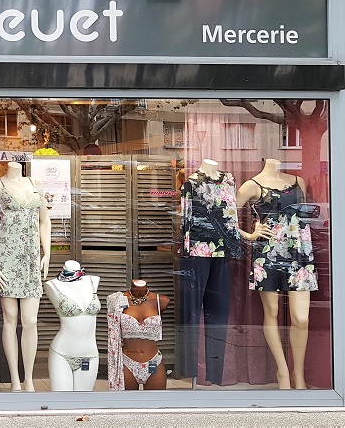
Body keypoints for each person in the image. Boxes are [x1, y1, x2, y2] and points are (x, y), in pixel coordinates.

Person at [235, 158, 315, 389]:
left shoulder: (298, 181)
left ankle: (298, 373)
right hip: (268, 253)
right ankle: (283, 373)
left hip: (300, 253)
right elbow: (224, 217)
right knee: (272, 312)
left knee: (301, 318)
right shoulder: (252, 185)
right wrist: (250, 235)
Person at [177, 158, 241, 385]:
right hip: (197, 250)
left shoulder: (229, 180)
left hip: (223, 251)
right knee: (192, 311)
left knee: (219, 312)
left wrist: (235, 245)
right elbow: (185, 220)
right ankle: (190, 371)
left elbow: (232, 216)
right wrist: (185, 250)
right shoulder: (191, 183)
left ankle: (215, 373)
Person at [0, 161, 50, 392]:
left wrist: (47, 253)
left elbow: (45, 220)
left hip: (31, 259)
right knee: (10, 318)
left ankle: (29, 379)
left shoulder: (35, 184)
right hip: (6, 257)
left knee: (30, 320)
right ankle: (15, 379)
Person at [44, 260, 100, 391]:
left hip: (90, 354)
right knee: (62, 401)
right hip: (62, 353)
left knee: (83, 401)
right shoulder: (52, 285)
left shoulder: (93, 281)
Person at [106, 280, 170, 390]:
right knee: (127, 400)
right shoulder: (118, 300)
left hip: (154, 361)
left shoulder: (161, 300)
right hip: (127, 362)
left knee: (156, 400)